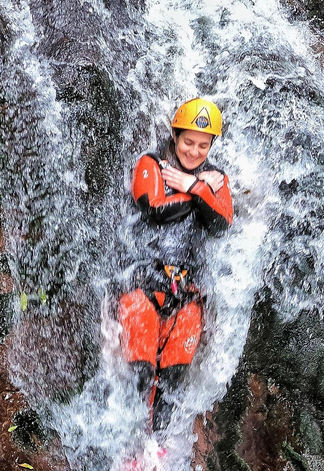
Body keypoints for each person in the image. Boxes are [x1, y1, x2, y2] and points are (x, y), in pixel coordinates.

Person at [118, 98, 233, 433]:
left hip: (187, 291)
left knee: (172, 377)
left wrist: (195, 187)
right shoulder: (151, 163)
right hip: (144, 280)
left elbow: (222, 221)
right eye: (187, 142)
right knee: (139, 372)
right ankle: (128, 443)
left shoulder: (215, 178)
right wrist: (197, 192)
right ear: (175, 135)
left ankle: (156, 451)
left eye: (203, 145)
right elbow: (153, 206)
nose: (194, 151)